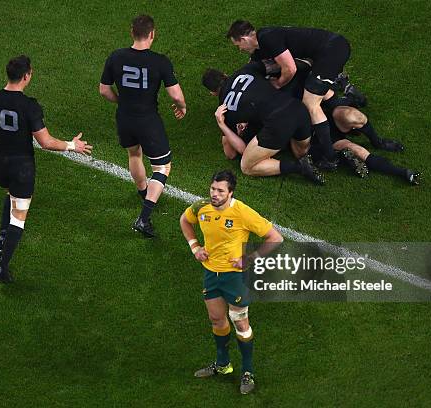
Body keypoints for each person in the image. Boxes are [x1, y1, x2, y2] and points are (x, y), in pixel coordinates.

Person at [0, 55, 92, 283]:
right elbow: (46, 142)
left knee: (10, 193)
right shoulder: (29, 106)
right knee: (19, 217)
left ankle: (3, 236)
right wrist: (73, 145)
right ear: (26, 76)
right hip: (21, 167)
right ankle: (2, 269)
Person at [179, 170, 283, 394]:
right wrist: (195, 246)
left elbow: (275, 238)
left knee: (240, 322)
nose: (214, 194)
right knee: (216, 319)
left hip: (235, 277)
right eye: (212, 189)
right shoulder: (200, 207)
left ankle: (248, 372)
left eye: (220, 191)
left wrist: (250, 258)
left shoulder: (242, 212)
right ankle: (223, 365)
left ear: (231, 192)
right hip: (211, 274)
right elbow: (185, 221)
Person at [100, 14, 187, 238]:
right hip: (147, 120)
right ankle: (144, 217)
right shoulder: (160, 61)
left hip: (124, 117)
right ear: (152, 34)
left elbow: (104, 90)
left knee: (134, 155)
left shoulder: (116, 57)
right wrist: (182, 106)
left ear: (132, 33)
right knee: (162, 167)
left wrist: (121, 101)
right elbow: (175, 94)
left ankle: (144, 194)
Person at [227, 20, 352, 170]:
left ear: (244, 39)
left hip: (331, 51)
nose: (240, 49)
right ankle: (348, 99)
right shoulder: (261, 46)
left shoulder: (267, 38)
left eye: (238, 45)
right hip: (324, 53)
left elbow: (290, 69)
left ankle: (330, 158)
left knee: (310, 103)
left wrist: (278, 83)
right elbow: (255, 67)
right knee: (313, 90)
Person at [202, 65, 324, 184]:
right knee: (301, 153)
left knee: (247, 166)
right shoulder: (247, 69)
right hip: (298, 109)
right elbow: (275, 66)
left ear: (213, 93)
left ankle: (299, 167)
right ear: (224, 74)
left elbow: (231, 153)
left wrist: (221, 124)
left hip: (278, 123)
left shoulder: (225, 107)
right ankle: (332, 151)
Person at [321, 96, 420, 184]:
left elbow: (331, 98)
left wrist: (351, 99)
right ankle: (403, 172)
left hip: (327, 119)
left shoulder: (313, 81)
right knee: (356, 150)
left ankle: (377, 142)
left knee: (352, 115)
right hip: (319, 136)